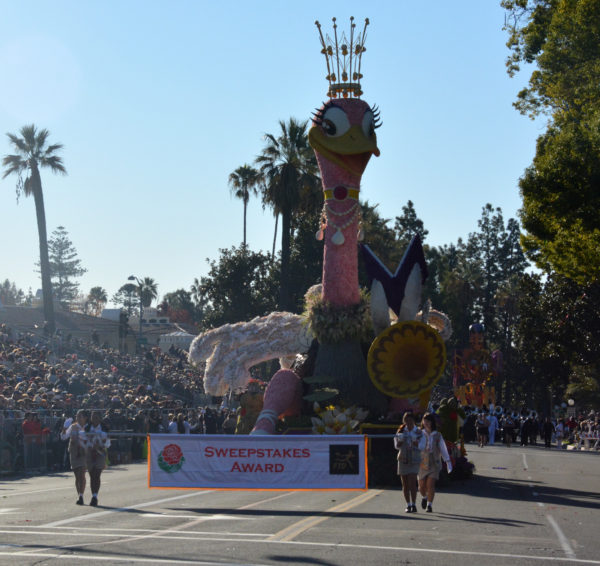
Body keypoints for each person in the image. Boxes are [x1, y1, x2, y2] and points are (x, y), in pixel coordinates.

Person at [418, 413, 452, 513]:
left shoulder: (437, 435)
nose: (426, 423)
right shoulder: (419, 433)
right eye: (425, 421)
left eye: (429, 421)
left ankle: (429, 505)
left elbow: (443, 448)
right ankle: (424, 497)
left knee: (430, 485)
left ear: (432, 422)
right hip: (422, 461)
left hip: (434, 461)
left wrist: (447, 461)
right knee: (422, 486)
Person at [394, 412, 425, 513]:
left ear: (414, 421)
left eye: (410, 421)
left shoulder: (419, 432)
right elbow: (396, 446)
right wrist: (400, 442)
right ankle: (408, 504)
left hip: (414, 459)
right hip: (403, 458)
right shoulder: (401, 431)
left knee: (412, 482)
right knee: (405, 484)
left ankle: (414, 504)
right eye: (406, 421)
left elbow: (422, 446)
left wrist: (415, 442)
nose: (408, 423)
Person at [61, 409, 88, 505]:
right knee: (77, 476)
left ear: (85, 418)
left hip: (84, 453)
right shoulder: (73, 427)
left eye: (80, 416)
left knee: (82, 474)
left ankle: (81, 495)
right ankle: (79, 495)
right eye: (77, 416)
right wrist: (64, 427)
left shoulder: (88, 427)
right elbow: (63, 437)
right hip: (74, 453)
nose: (77, 418)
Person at [85, 411, 110, 506]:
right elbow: (84, 440)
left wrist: (100, 446)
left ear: (100, 418)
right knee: (92, 475)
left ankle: (95, 496)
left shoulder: (104, 428)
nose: (94, 419)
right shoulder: (87, 428)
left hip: (100, 453)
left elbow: (108, 443)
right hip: (90, 453)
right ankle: (93, 494)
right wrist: (90, 446)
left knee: (97, 473)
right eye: (92, 417)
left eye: (96, 417)